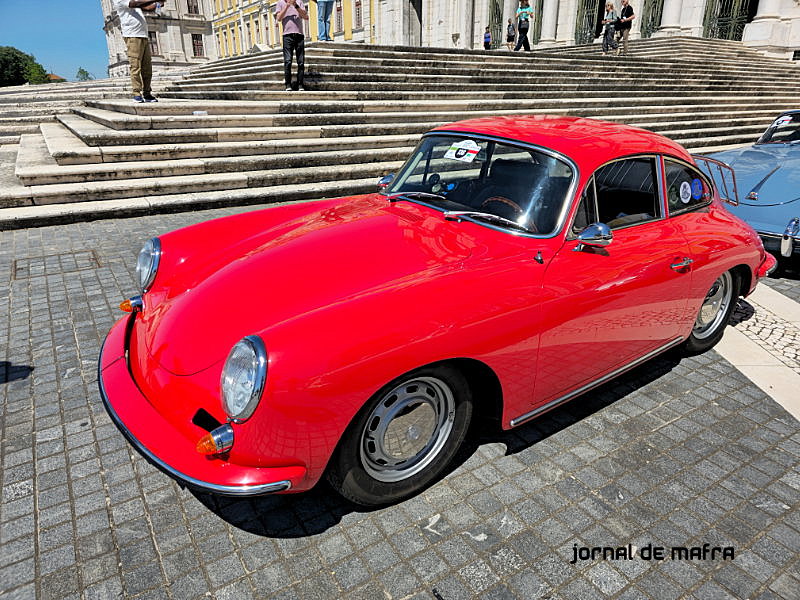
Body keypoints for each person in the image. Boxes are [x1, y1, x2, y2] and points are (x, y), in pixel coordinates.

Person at [112, 0, 161, 103]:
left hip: (143, 35)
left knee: (147, 67)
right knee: (135, 66)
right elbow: (135, 4)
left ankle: (147, 94)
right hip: (132, 35)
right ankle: (136, 94)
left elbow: (146, 7)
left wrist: (158, 4)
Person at [275, 0, 308, 91]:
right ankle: (288, 84)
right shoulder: (280, 3)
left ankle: (300, 84)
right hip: (287, 36)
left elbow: (305, 17)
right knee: (288, 61)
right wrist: (287, 6)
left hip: (299, 35)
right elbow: (278, 18)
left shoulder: (299, 2)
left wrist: (296, 6)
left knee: (300, 62)